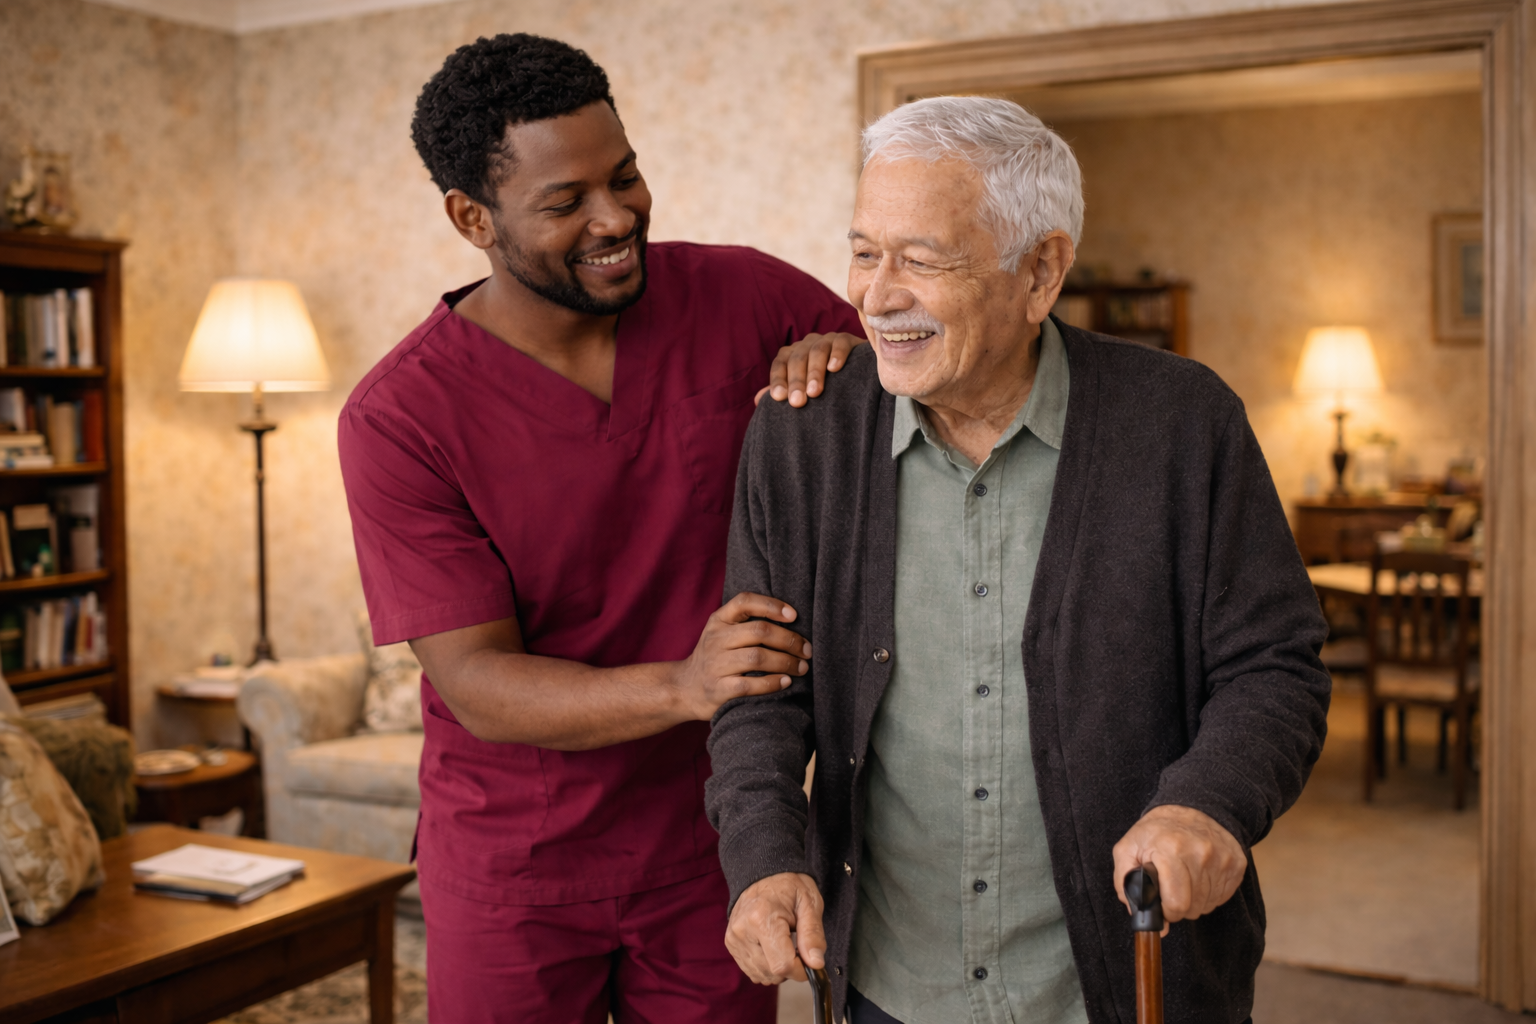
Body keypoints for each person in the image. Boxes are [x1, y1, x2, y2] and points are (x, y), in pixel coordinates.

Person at [706, 96, 1331, 1024]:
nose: (876, 295)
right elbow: (762, 689)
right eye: (866, 253)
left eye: (922, 259)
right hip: (890, 985)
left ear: (1041, 272)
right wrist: (763, 856)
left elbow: (1274, 665)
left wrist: (1208, 804)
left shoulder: (1182, 422)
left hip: (1122, 982)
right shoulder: (801, 438)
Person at [337, 33, 864, 1023]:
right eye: (565, 201)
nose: (615, 217)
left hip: (715, 839)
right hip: (516, 862)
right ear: (471, 217)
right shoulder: (399, 417)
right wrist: (686, 684)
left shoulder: (750, 296)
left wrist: (846, 358)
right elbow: (477, 680)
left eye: (624, 176)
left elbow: (910, 396)